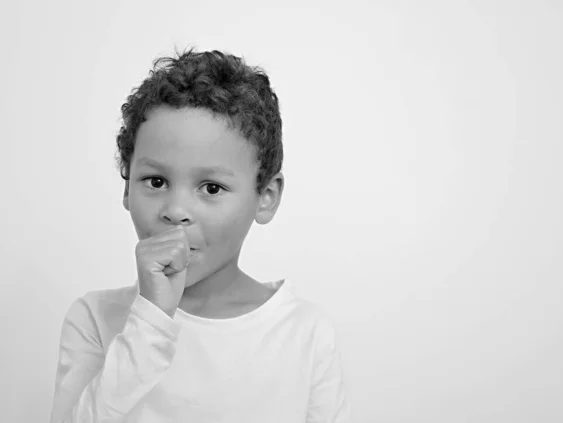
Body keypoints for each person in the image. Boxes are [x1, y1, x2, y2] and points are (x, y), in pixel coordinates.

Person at [49, 47, 350, 423]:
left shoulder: (304, 334)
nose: (175, 211)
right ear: (127, 188)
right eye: (155, 181)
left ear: (266, 197)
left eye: (210, 188)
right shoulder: (95, 319)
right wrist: (152, 318)